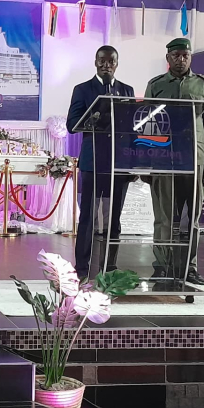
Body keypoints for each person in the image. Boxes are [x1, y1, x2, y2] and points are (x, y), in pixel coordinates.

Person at [144, 37, 204, 285]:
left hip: (194, 159)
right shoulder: (156, 85)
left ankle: (189, 268)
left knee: (192, 219)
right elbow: (146, 124)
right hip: (163, 159)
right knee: (163, 217)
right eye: (176, 55)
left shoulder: (203, 86)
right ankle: (162, 267)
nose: (181, 59)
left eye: (185, 55)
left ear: (190, 57)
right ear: (168, 58)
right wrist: (145, 162)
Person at [66, 45, 134, 278]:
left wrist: (133, 162)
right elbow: (72, 124)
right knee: (87, 217)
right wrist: (92, 119)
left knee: (114, 219)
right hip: (92, 160)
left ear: (117, 64)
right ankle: (82, 269)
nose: (106, 65)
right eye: (102, 61)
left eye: (111, 61)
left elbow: (132, 128)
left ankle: (110, 268)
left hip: (119, 162)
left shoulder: (126, 90)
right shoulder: (82, 89)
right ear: (95, 62)